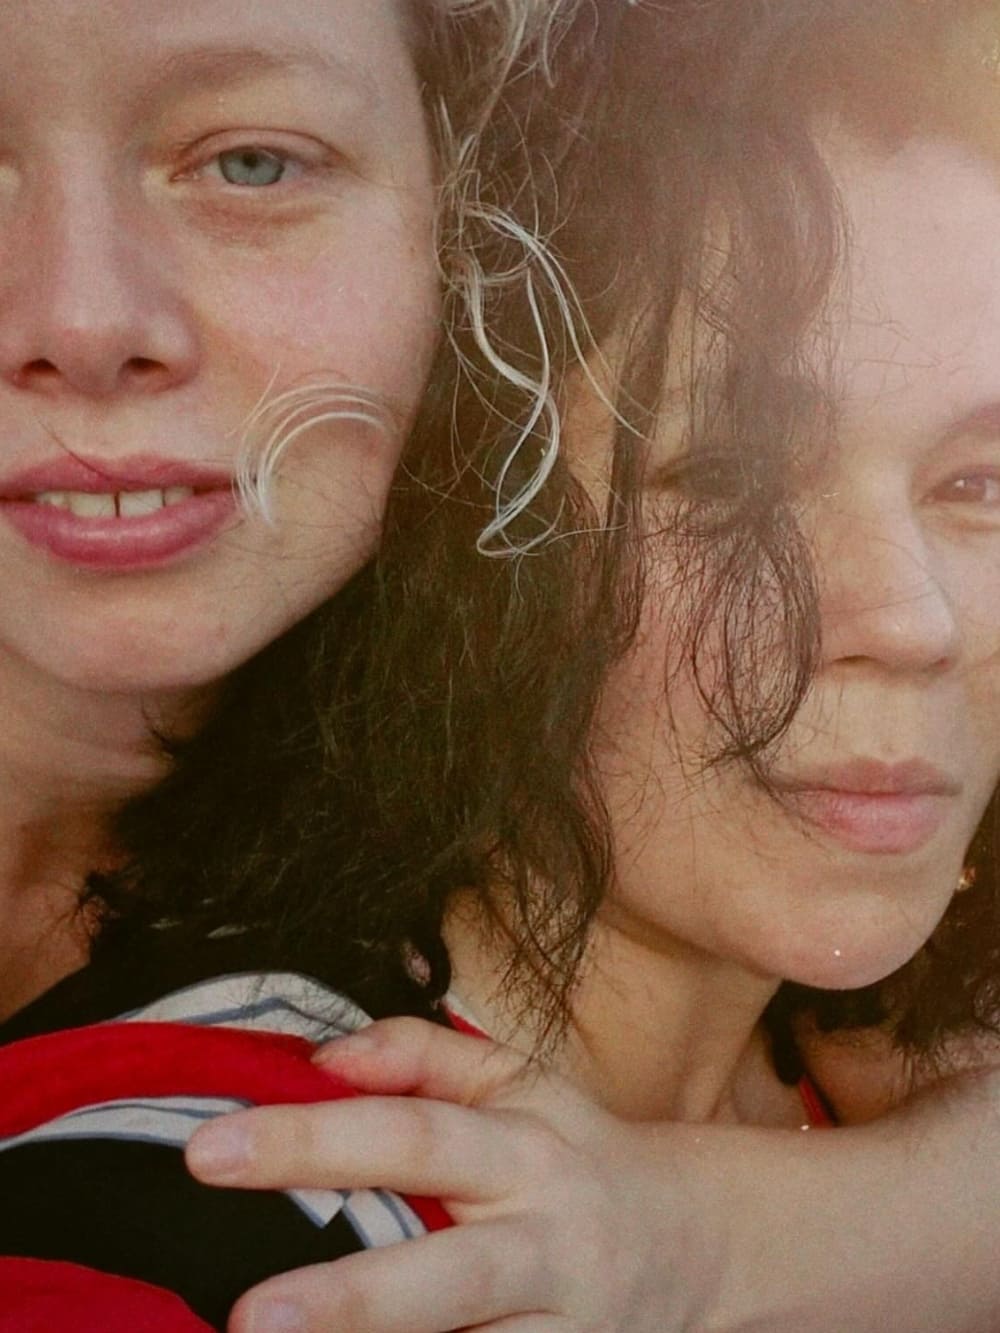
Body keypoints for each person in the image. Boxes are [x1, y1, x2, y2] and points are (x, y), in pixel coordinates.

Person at [4, 1, 1000, 1331]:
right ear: (474, 524)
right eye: (722, 480)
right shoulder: (217, 1217)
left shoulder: (876, 1071)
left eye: (981, 480)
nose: (914, 618)